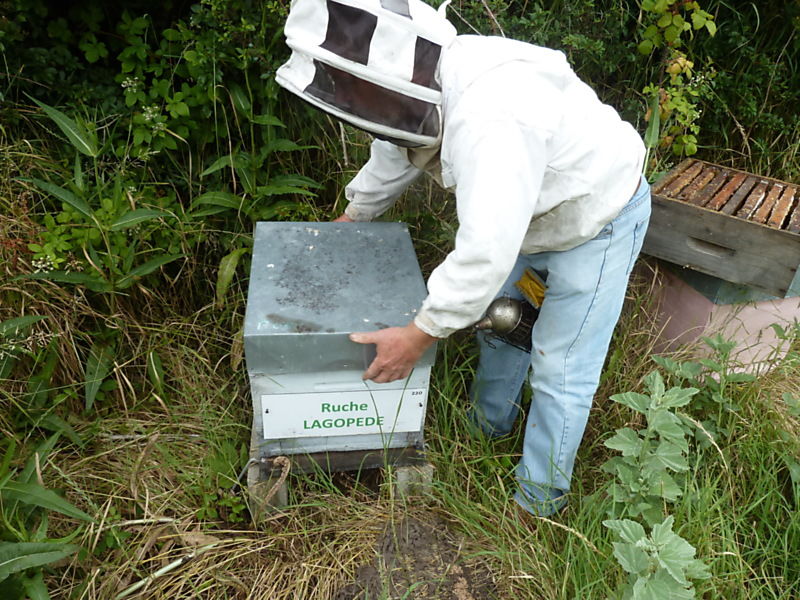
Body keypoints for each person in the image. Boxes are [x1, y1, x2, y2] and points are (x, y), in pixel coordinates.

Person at [276, 0, 650, 516]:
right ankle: (485, 432)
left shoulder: (490, 116)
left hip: (595, 218)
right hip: (526, 220)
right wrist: (353, 215)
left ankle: (536, 504)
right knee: (501, 328)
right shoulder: (418, 89)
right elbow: (395, 148)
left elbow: (484, 251)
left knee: (559, 368)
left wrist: (418, 336)